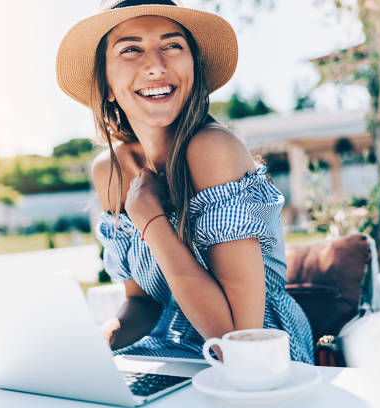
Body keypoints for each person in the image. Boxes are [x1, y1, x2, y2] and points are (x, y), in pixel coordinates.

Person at [56, 0, 314, 364]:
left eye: (172, 46)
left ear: (193, 68)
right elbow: (142, 302)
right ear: (107, 86)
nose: (155, 66)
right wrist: (100, 340)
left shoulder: (213, 149)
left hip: (262, 363)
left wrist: (149, 220)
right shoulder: (110, 170)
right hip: (169, 351)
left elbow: (237, 341)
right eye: (131, 50)